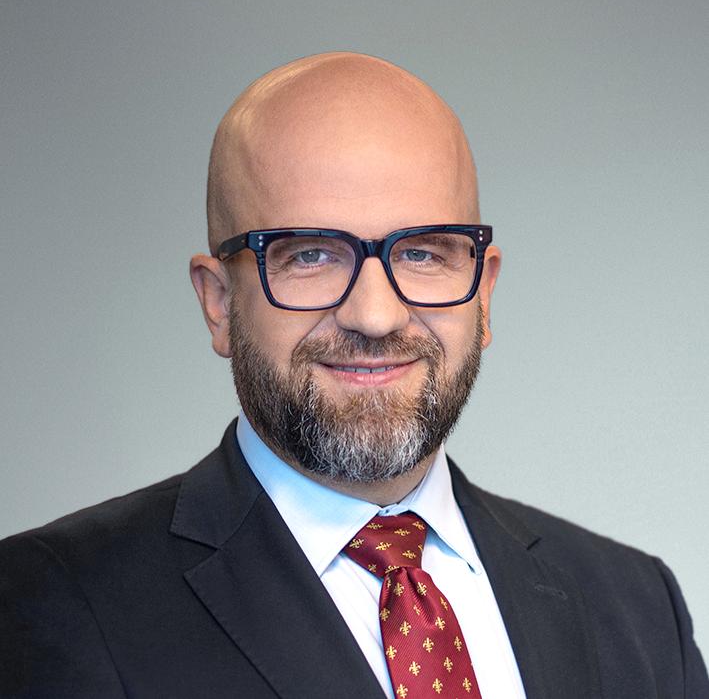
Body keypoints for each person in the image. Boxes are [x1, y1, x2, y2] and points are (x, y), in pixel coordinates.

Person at [0, 52, 706, 699]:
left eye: (423, 253)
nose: (374, 314)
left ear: (483, 294)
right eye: (309, 255)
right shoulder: (51, 604)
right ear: (218, 302)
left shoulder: (637, 607)